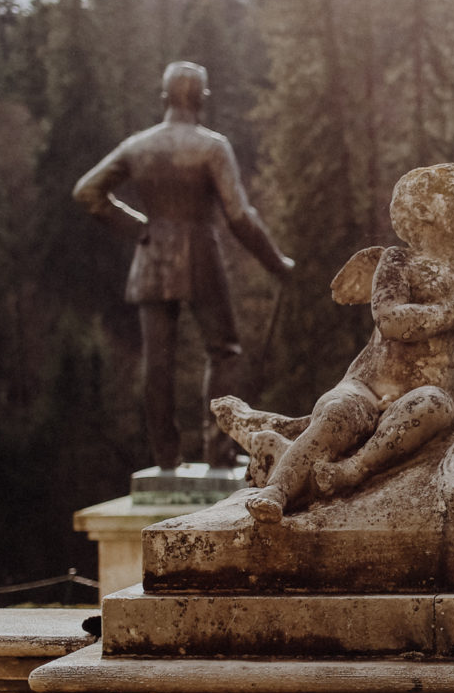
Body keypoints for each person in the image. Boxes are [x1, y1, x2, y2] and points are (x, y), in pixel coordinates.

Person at [217, 165, 454, 522]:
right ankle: (278, 490)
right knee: (336, 415)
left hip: (426, 392)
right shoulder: (399, 261)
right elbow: (390, 320)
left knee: (435, 407)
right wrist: (450, 313)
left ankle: (352, 470)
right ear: (424, 211)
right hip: (368, 384)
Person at [73, 61, 294, 469]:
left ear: (165, 98)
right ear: (202, 100)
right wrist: (275, 262)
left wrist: (139, 227)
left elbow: (88, 192)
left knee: (157, 361)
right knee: (224, 350)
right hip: (199, 256)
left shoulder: (138, 146)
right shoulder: (211, 146)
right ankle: (219, 451)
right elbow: (239, 216)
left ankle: (166, 458)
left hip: (152, 257)